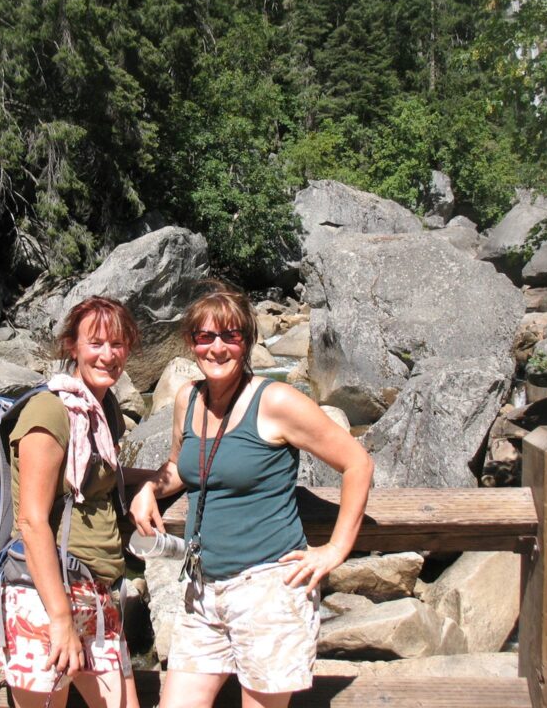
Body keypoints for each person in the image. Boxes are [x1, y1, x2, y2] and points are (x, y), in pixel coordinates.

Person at [129, 284, 373, 708]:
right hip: (202, 588)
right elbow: (181, 469)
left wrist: (335, 550)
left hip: (268, 590)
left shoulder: (276, 400)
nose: (217, 347)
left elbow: (358, 463)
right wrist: (149, 488)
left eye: (230, 336)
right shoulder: (188, 398)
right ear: (191, 343)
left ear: (248, 342)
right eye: (205, 337)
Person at [0, 296, 141, 708]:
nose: (108, 355)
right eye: (96, 343)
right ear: (72, 346)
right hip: (43, 596)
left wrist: (155, 484)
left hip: (94, 593)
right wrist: (60, 619)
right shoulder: (50, 410)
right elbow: (32, 521)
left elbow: (99, 479)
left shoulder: (100, 409)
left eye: (118, 344)